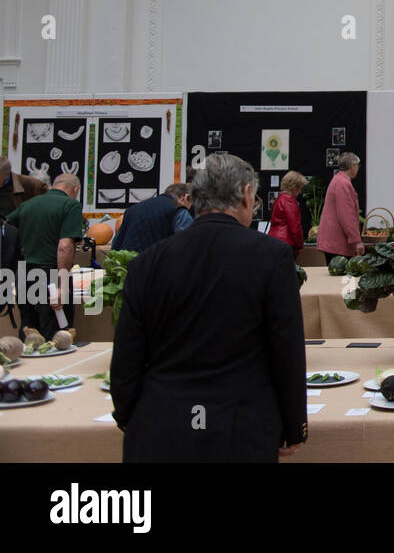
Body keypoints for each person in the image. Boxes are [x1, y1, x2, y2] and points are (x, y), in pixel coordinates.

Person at [110, 153, 307, 462]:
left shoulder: (147, 262)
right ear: (244, 194)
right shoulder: (271, 256)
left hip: (160, 425)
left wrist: (129, 416)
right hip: (238, 429)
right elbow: (287, 350)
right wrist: (294, 426)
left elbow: (126, 357)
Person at [5, 173, 82, 340]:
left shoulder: (28, 205)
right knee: (56, 337)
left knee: (29, 332)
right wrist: (62, 286)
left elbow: (7, 230)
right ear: (75, 190)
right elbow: (64, 246)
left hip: (24, 275)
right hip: (50, 276)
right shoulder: (70, 205)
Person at [111, 183, 194, 253]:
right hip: (155, 267)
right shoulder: (179, 210)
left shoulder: (132, 210)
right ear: (186, 197)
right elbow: (186, 245)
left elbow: (116, 243)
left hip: (128, 266)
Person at [316, 152, 361, 262]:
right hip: (337, 242)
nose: (358, 168)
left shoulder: (338, 180)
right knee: (342, 278)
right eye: (357, 165)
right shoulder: (343, 184)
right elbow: (346, 215)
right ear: (352, 166)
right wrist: (356, 241)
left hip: (333, 241)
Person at [269, 171, 307, 260]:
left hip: (273, 240)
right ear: (294, 187)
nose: (300, 191)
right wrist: (299, 244)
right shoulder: (290, 201)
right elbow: (295, 227)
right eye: (299, 188)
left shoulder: (279, 199)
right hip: (286, 242)